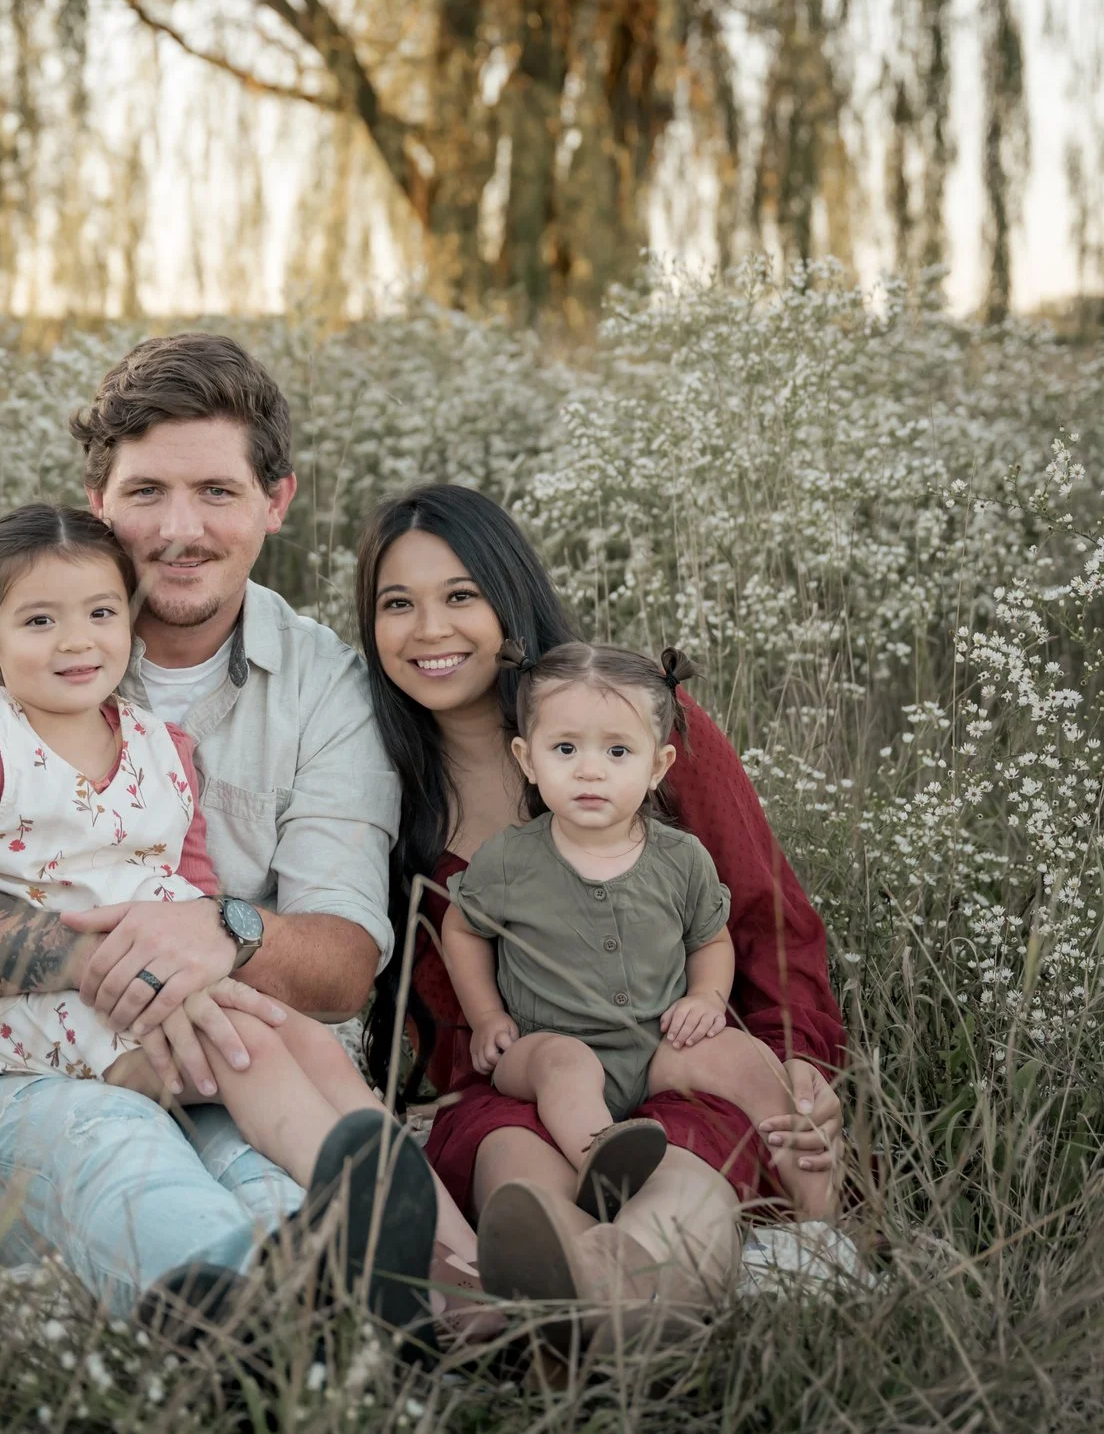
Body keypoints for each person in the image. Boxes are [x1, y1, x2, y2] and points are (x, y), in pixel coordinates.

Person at [0, 334, 431, 1328]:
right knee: (120, 1149)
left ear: (276, 502)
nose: (178, 529)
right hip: (5, 1076)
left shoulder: (324, 684)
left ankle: (353, 1315)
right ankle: (250, 1337)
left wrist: (220, 932)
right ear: (97, 498)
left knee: (266, 1174)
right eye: (146, 491)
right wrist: (114, 953)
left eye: (216, 492)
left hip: (213, 1062)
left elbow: (342, 962)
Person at [356, 484, 848, 1358]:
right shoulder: (381, 790)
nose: (430, 628)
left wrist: (799, 1066)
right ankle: (560, 1288)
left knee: (679, 1165)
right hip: (520, 1091)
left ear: (510, 598)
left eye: (461, 595)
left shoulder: (639, 727)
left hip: (678, 1065)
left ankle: (608, 1298)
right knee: (517, 1172)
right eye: (398, 603)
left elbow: (770, 925)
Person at [438, 641, 841, 1231]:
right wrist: (487, 1016)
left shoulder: (682, 858)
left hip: (659, 1044)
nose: (590, 769)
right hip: (542, 1045)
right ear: (528, 760)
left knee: (752, 1065)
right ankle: (601, 1161)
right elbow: (461, 928)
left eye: (618, 750)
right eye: (565, 748)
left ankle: (824, 1225)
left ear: (658, 765)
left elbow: (710, 939)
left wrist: (705, 998)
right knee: (565, 1064)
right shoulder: (508, 860)